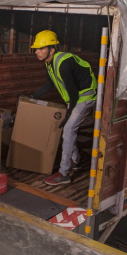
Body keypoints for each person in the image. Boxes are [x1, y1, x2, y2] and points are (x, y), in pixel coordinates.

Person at [30, 30, 97, 186]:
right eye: (36, 49)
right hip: (75, 98)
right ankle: (76, 161)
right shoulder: (49, 63)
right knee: (67, 131)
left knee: (67, 130)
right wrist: (32, 97)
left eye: (41, 49)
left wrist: (67, 115)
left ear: (52, 50)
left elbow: (73, 93)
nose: (36, 52)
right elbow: (49, 84)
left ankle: (64, 173)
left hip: (86, 96)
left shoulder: (63, 63)